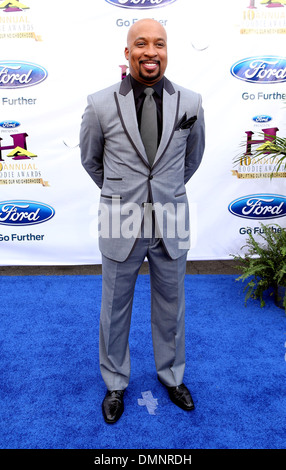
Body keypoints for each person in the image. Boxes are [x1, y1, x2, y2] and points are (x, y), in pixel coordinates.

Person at [80, 18, 205, 424]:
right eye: (141, 44)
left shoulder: (191, 102)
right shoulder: (100, 104)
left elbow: (192, 158)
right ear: (127, 51)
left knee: (172, 306)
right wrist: (121, 195)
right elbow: (91, 159)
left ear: (167, 50)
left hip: (171, 218)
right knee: (115, 307)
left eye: (159, 44)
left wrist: (164, 191)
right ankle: (115, 381)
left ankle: (172, 376)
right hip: (122, 221)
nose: (150, 51)